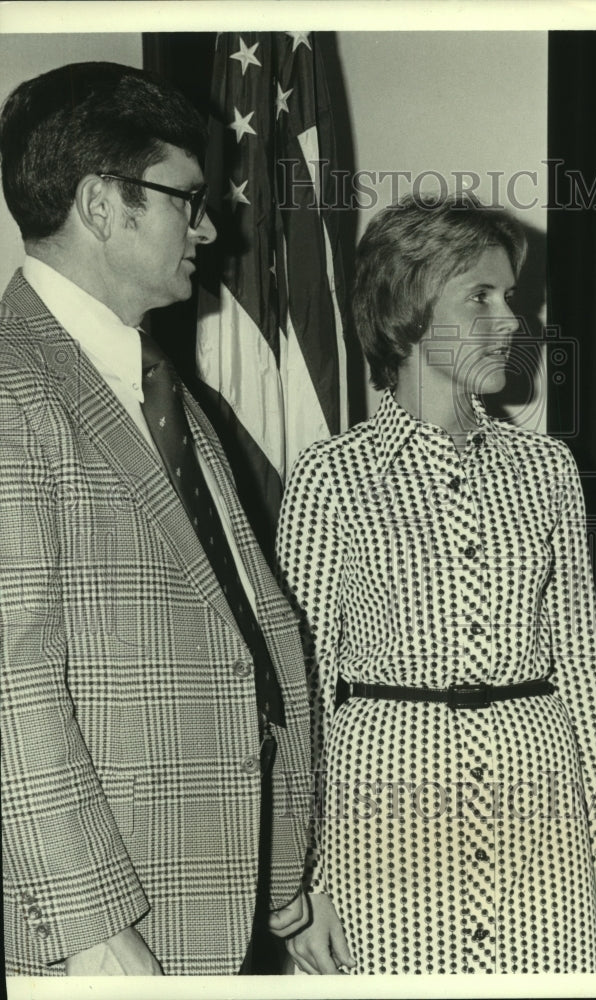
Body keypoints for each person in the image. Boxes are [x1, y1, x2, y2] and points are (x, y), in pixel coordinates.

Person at [0, 62, 314, 976]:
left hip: (221, 889)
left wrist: (286, 866)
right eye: (186, 198)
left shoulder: (161, 387)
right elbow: (9, 680)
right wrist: (93, 926)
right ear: (105, 203)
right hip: (104, 922)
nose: (210, 228)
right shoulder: (13, 386)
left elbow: (245, 632)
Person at [276, 193, 596, 974]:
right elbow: (297, 690)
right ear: (407, 304)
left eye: (511, 296)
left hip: (540, 803)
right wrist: (305, 881)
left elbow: (581, 667)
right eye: (480, 294)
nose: (512, 321)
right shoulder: (331, 476)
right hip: (381, 815)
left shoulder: (546, 469)